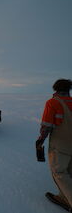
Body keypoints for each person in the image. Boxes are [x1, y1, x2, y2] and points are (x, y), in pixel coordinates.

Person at [36, 79, 72, 212]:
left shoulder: (53, 103)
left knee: (59, 172)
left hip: (61, 146)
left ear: (55, 89)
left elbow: (46, 126)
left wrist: (41, 140)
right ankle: (64, 197)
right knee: (69, 172)